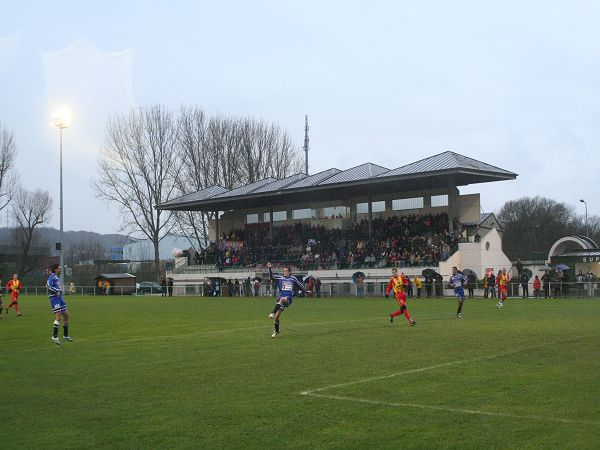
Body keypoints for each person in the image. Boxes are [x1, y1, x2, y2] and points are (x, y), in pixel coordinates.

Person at [267, 263, 309, 338]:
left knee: (283, 299)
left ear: (289, 272)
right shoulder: (280, 278)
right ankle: (277, 331)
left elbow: (300, 285)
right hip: (280, 300)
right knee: (277, 317)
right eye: (284, 271)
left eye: (286, 271)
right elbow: (271, 277)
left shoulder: (293, 279)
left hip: (288, 299)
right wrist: (269, 268)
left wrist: (306, 291)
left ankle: (272, 313)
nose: (284, 272)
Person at [46, 264, 73, 345]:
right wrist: (56, 291)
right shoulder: (52, 276)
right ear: (55, 269)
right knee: (58, 316)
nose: (61, 270)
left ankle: (65, 336)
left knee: (66, 315)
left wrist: (59, 291)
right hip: (54, 299)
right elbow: (47, 285)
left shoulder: (57, 278)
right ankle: (54, 337)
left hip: (60, 298)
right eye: (60, 269)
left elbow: (56, 287)